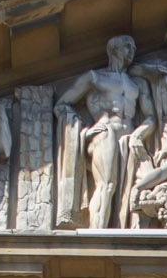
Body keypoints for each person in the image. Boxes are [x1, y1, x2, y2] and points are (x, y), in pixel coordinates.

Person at [54, 35, 153, 231]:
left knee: (141, 187)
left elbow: (151, 117)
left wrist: (139, 134)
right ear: (113, 50)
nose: (132, 51)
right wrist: (84, 130)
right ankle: (96, 234)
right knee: (107, 185)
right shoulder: (94, 78)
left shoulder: (137, 85)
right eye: (127, 46)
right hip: (105, 133)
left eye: (134, 48)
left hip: (130, 137)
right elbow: (61, 105)